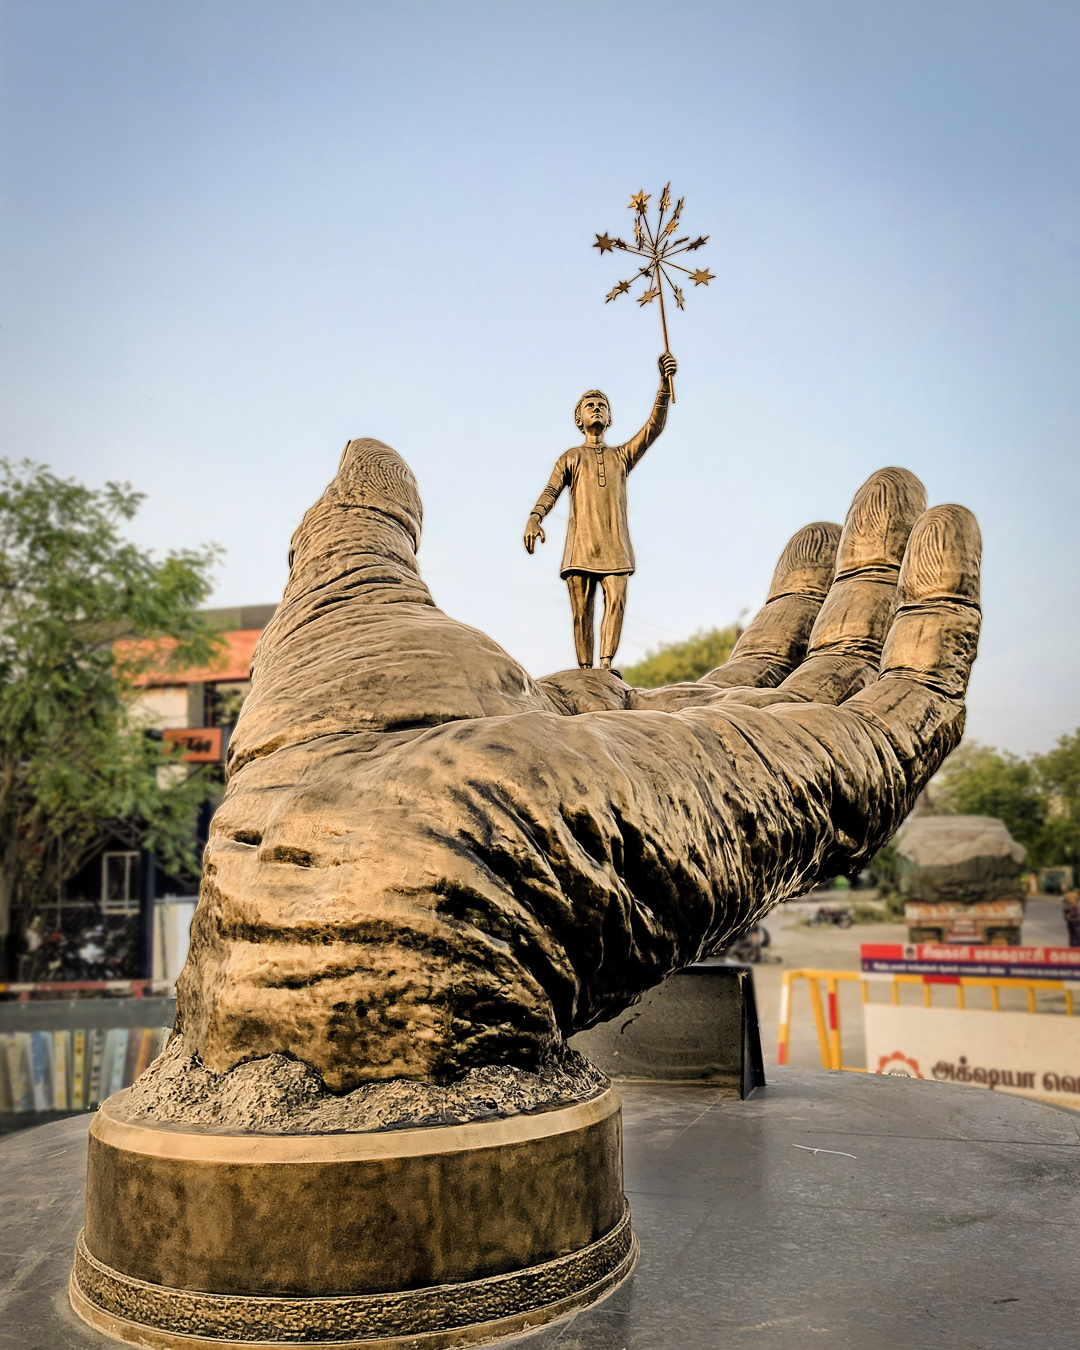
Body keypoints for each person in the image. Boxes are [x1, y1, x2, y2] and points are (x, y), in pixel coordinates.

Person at [524, 352, 677, 669]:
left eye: (602, 406)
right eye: (590, 406)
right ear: (579, 419)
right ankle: (585, 668)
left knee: (617, 599)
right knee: (581, 611)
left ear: (610, 419)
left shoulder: (621, 457)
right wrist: (535, 517)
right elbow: (552, 490)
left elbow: (653, 427)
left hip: (615, 544)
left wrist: (664, 385)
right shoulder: (571, 457)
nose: (597, 409)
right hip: (581, 545)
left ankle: (606, 665)